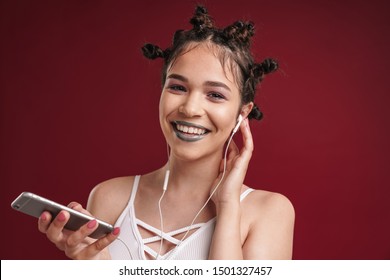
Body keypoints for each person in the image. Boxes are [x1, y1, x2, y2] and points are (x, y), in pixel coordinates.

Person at [38, 5, 295, 260]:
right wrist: (95, 265)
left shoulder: (269, 212)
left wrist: (228, 207)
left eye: (215, 95)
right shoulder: (109, 197)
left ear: (243, 112)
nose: (190, 108)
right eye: (178, 87)